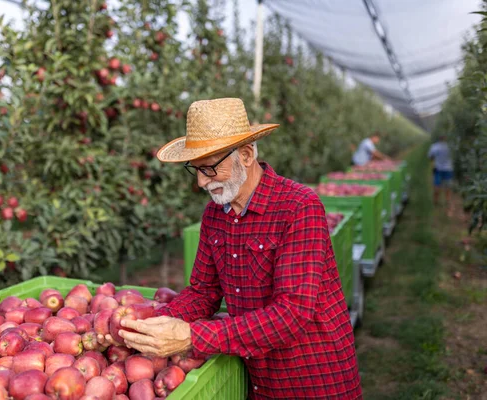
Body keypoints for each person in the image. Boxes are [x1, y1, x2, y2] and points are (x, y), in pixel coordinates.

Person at [105, 98, 362, 399]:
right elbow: (204, 292)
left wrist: (190, 337)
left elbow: (292, 313)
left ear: (246, 154)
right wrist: (153, 323)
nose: (202, 182)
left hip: (312, 376)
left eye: (211, 168)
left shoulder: (299, 207)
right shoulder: (214, 216)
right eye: (196, 170)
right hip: (258, 377)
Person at [428, 135, 454, 211]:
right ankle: (448, 201)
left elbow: (430, 157)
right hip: (448, 169)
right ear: (445, 139)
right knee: (448, 186)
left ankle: (435, 201)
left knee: (437, 185)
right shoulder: (449, 147)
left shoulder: (435, 146)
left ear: (439, 139)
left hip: (438, 168)